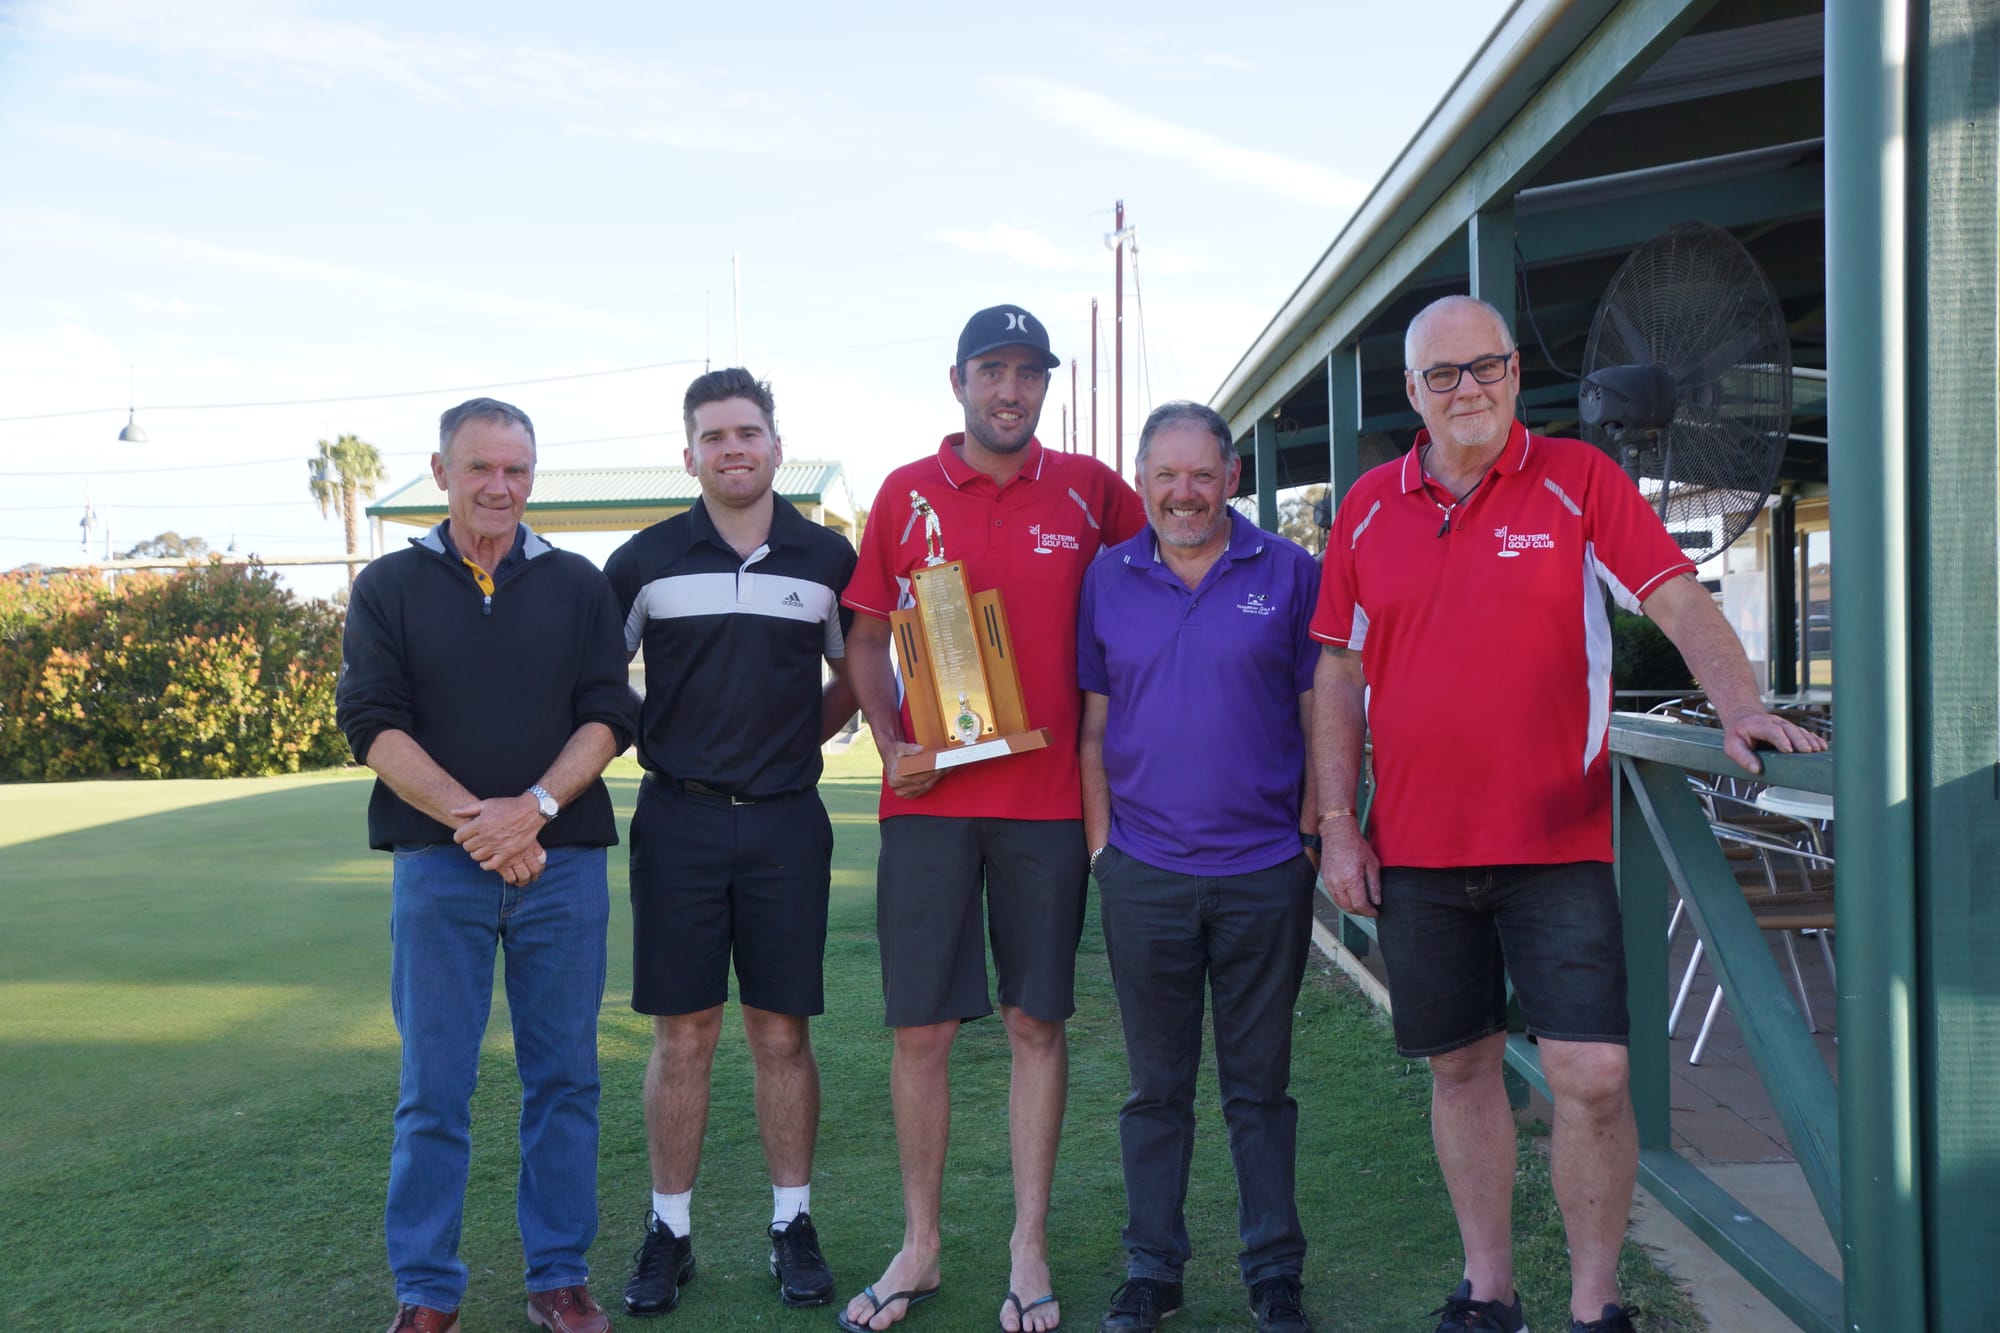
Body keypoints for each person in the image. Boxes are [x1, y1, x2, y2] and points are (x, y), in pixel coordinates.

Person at [1309, 296, 1827, 1333]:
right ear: (1411, 393)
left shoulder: (1578, 482)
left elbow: (1674, 596)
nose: (1470, 388)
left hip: (1555, 843)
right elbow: (1336, 668)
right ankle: (1486, 1290)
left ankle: (1595, 1307)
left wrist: (1737, 706)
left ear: (1512, 370)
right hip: (1414, 847)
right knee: (1458, 1067)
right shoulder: (1366, 506)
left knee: (1589, 1075)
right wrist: (1335, 820)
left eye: (1487, 365)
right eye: (1443, 374)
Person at [839, 304, 1147, 1333]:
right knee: (920, 1027)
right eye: (990, 370)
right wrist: (890, 744)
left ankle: (1028, 1243)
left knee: (1033, 1021)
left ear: (1044, 385)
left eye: (1026, 372)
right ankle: (919, 1245)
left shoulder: (1092, 491)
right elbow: (866, 639)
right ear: (957, 380)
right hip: (926, 805)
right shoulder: (902, 493)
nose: (1008, 390)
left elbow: (1158, 584)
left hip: (1046, 802)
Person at [336, 397, 639, 1333]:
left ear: (532, 477)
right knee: (435, 1085)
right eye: (479, 468)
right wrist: (482, 824)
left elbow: (610, 713)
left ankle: (558, 1275)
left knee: (566, 1080)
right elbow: (372, 724)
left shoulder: (580, 585)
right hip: (440, 868)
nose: (499, 486)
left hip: (564, 867)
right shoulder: (388, 585)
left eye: (515, 469)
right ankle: (427, 1290)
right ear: (441, 473)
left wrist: (535, 810)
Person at [603, 368, 858, 1318]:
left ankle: (792, 1221)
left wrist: (799, 736)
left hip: (790, 820)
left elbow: (859, 671)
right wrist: (661, 730)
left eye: (749, 432)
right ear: (690, 455)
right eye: (714, 436)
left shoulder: (829, 559)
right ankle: (670, 1230)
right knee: (684, 1034)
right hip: (679, 821)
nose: (733, 449)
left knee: (781, 1031)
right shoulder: (645, 559)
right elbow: (598, 683)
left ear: (777, 447)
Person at [1077, 402, 1322, 1333]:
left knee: (1260, 1084)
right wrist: (1104, 848)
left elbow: (1319, 711)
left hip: (1265, 870)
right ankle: (1153, 1268)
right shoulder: (1107, 578)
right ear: (1142, 479)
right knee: (1156, 1086)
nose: (1184, 493)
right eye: (1165, 476)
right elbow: (1094, 727)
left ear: (1230, 476)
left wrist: (1307, 837)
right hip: (1143, 872)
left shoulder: (1289, 571)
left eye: (1201, 474)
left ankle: (1274, 1271)